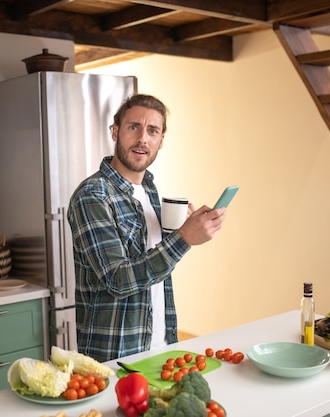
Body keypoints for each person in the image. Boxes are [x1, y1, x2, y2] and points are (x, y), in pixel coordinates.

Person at [67, 94, 227, 362]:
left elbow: (149, 260)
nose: (143, 139)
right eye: (134, 127)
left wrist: (183, 229)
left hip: (160, 344)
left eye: (152, 130)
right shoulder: (93, 195)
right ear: (115, 132)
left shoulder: (149, 189)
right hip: (115, 356)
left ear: (160, 141)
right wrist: (184, 239)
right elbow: (117, 280)